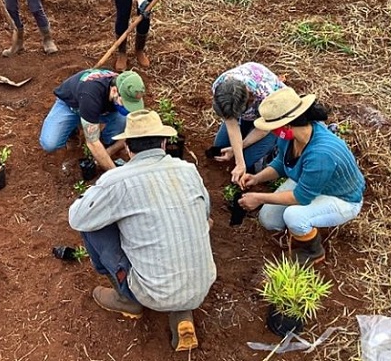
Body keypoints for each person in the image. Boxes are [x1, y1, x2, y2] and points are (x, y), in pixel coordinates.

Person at [69, 109, 216, 352]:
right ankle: (182, 312)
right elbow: (205, 214)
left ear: (127, 146)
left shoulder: (118, 180)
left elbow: (77, 217)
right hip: (202, 284)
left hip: (152, 292)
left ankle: (126, 299)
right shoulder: (189, 170)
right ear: (164, 142)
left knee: (93, 226)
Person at [238, 87, 366, 265]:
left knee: (294, 216)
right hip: (312, 183)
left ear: (287, 126)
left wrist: (258, 198)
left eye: (274, 127)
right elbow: (282, 163)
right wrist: (257, 178)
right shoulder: (289, 137)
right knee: (269, 220)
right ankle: (304, 227)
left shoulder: (321, 154)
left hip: (342, 197)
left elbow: (301, 197)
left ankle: (313, 250)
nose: (273, 132)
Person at [39, 69, 145, 171]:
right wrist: (114, 174)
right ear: (114, 90)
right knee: (50, 143)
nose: (128, 107)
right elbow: (92, 142)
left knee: (118, 130)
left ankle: (106, 140)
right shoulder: (91, 94)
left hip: (101, 107)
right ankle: (72, 130)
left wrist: (109, 151)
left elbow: (133, 132)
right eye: (125, 103)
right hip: (71, 105)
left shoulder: (129, 89)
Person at [210, 62, 285, 184]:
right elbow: (231, 124)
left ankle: (277, 144)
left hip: (272, 121)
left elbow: (264, 129)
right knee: (220, 147)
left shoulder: (267, 95)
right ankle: (247, 129)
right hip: (249, 114)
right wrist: (238, 160)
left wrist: (239, 155)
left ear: (248, 100)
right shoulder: (220, 86)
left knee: (248, 161)